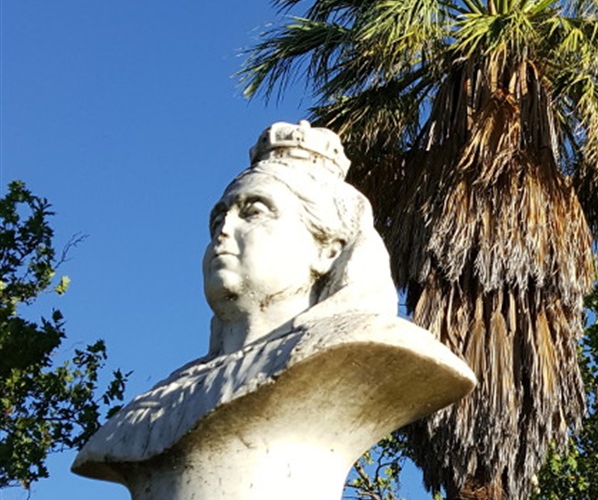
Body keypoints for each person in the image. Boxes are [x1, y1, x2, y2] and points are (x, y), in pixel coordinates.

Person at [75, 120, 401, 475]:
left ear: (327, 250)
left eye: (254, 211)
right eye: (218, 219)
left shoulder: (358, 347)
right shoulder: (153, 404)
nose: (224, 230)